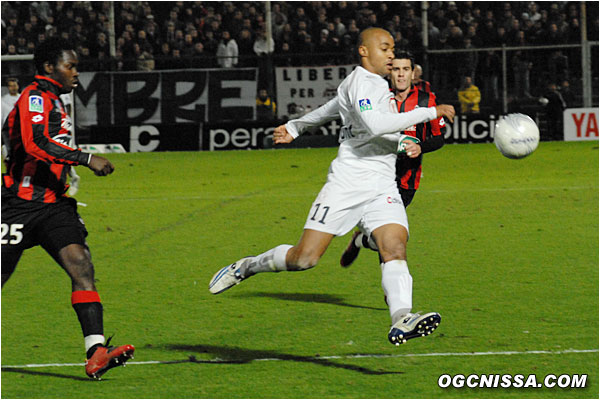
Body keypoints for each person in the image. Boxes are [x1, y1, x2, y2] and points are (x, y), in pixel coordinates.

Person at [209, 28, 455, 346]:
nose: (391, 54)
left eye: (393, 48)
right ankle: (248, 266)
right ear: (364, 52)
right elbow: (375, 125)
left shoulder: (372, 86)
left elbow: (331, 109)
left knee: (394, 247)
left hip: (382, 184)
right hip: (348, 183)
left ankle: (401, 318)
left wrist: (296, 127)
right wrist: (430, 112)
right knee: (304, 259)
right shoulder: (361, 82)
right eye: (384, 48)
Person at [1, 38, 134, 380]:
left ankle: (96, 352)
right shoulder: (34, 97)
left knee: (81, 265)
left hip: (54, 205)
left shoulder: (54, 101)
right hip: (19, 204)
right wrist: (87, 159)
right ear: (49, 67)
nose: (76, 72)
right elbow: (34, 143)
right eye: (70, 66)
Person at [340, 51, 445, 266]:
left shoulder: (426, 100)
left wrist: (419, 146)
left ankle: (360, 240)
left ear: (413, 73)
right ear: (389, 72)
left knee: (386, 238)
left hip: (407, 179)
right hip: (376, 175)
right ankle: (392, 292)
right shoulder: (375, 98)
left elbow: (439, 138)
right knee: (390, 237)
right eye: (396, 69)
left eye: (405, 69)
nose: (400, 75)